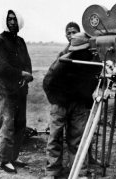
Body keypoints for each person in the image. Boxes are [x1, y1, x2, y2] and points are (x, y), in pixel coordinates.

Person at [43, 32, 102, 178]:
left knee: (78, 138)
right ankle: (52, 171)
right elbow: (47, 83)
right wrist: (56, 102)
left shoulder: (93, 62)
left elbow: (93, 82)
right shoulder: (63, 62)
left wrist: (86, 101)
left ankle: (80, 172)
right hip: (60, 103)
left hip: (79, 103)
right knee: (55, 137)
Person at [0, 10, 33, 173]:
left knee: (20, 125)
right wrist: (22, 74)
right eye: (9, 19)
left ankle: (14, 157)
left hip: (21, 90)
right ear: (5, 21)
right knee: (7, 125)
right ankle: (4, 159)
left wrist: (27, 76)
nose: (12, 22)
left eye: (15, 19)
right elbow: (2, 68)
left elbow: (27, 62)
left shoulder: (21, 41)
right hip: (6, 90)